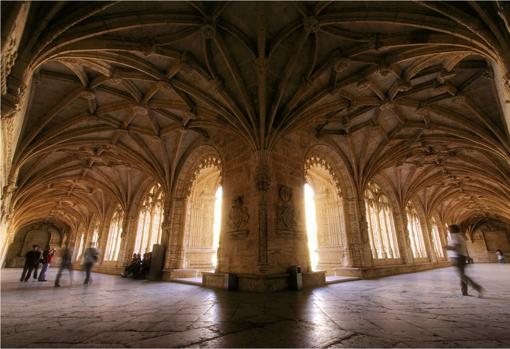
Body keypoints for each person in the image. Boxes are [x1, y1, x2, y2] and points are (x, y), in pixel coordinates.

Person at [446, 224, 485, 297]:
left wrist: (447, 247)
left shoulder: (454, 235)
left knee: (462, 276)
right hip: (461, 257)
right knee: (462, 276)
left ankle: (478, 288)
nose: (448, 230)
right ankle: (464, 291)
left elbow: (456, 246)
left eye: (449, 229)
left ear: (453, 230)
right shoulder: (460, 236)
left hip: (457, 257)